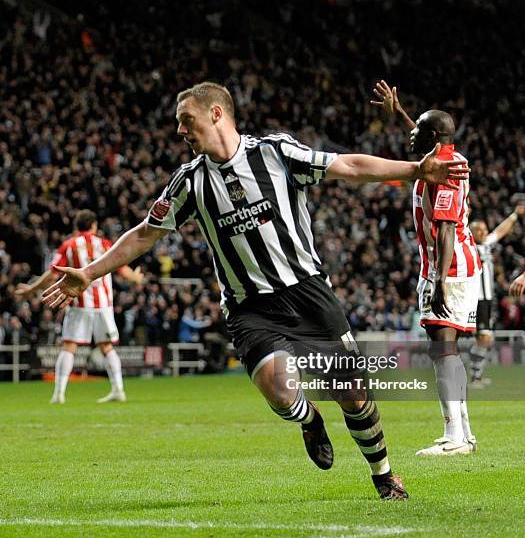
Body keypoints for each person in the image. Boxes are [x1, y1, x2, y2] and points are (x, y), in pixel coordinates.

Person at [43, 82, 468, 499]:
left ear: (216, 114)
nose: (180, 132)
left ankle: (384, 474)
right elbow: (145, 234)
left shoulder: (276, 153)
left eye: (186, 121)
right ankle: (309, 418)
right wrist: (91, 272)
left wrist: (414, 169)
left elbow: (347, 167)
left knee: (354, 395)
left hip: (307, 292)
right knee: (279, 389)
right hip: (250, 307)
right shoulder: (188, 182)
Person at [372, 80, 481, 456]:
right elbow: (426, 147)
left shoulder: (447, 170)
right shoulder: (442, 158)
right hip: (448, 267)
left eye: (416, 127)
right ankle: (462, 433)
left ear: (433, 136)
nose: (409, 132)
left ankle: (454, 437)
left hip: (448, 268)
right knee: (446, 349)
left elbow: (446, 229)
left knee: (443, 349)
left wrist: (437, 279)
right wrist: (400, 113)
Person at [15, 209, 143, 404]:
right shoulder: (105, 244)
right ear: (94, 225)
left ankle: (59, 394)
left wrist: (31, 289)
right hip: (104, 305)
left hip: (78, 304)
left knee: (69, 347)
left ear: (76, 226)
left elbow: (52, 273)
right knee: (107, 347)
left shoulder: (69, 245)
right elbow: (123, 269)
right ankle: (118, 389)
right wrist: (136, 278)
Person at [469, 207, 525, 386]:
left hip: (487, 299)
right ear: (471, 231)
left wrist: (515, 215)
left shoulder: (485, 244)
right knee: (484, 337)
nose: (484, 232)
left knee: (485, 338)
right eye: (479, 230)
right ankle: (472, 376)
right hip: (474, 299)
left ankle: (475, 376)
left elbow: (500, 231)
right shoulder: (466, 246)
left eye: (485, 229)